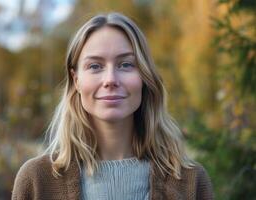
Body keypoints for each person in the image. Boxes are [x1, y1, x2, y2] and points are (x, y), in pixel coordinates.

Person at [12, 12, 213, 200]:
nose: (110, 80)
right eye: (95, 66)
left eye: (125, 64)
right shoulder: (37, 180)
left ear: (144, 77)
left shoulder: (190, 181)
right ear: (76, 80)